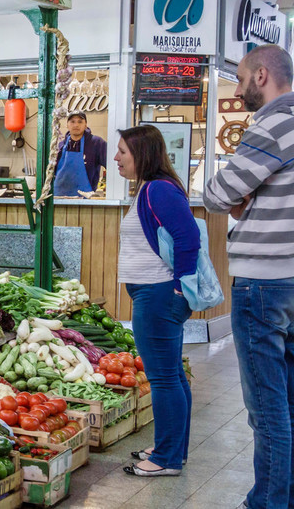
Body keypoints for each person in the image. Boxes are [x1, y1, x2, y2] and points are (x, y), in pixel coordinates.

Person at [203, 44, 294, 509]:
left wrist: (241, 197)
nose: (237, 91)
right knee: (290, 400)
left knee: (266, 405)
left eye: (240, 79)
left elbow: (219, 193)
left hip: (264, 282)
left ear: (261, 75)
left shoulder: (275, 124)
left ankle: (269, 502)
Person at [113, 125, 199, 477]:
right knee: (173, 375)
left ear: (142, 155)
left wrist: (179, 287)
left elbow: (188, 236)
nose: (116, 158)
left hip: (159, 294)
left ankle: (165, 459)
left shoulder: (159, 190)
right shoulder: (150, 189)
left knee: (163, 379)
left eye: (122, 152)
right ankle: (172, 447)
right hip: (154, 293)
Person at [53, 112, 107, 197]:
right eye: (72, 121)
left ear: (86, 125)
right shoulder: (60, 146)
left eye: (80, 121)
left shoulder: (97, 143)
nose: (76, 125)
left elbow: (112, 167)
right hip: (59, 198)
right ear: (67, 125)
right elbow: (51, 172)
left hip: (86, 200)